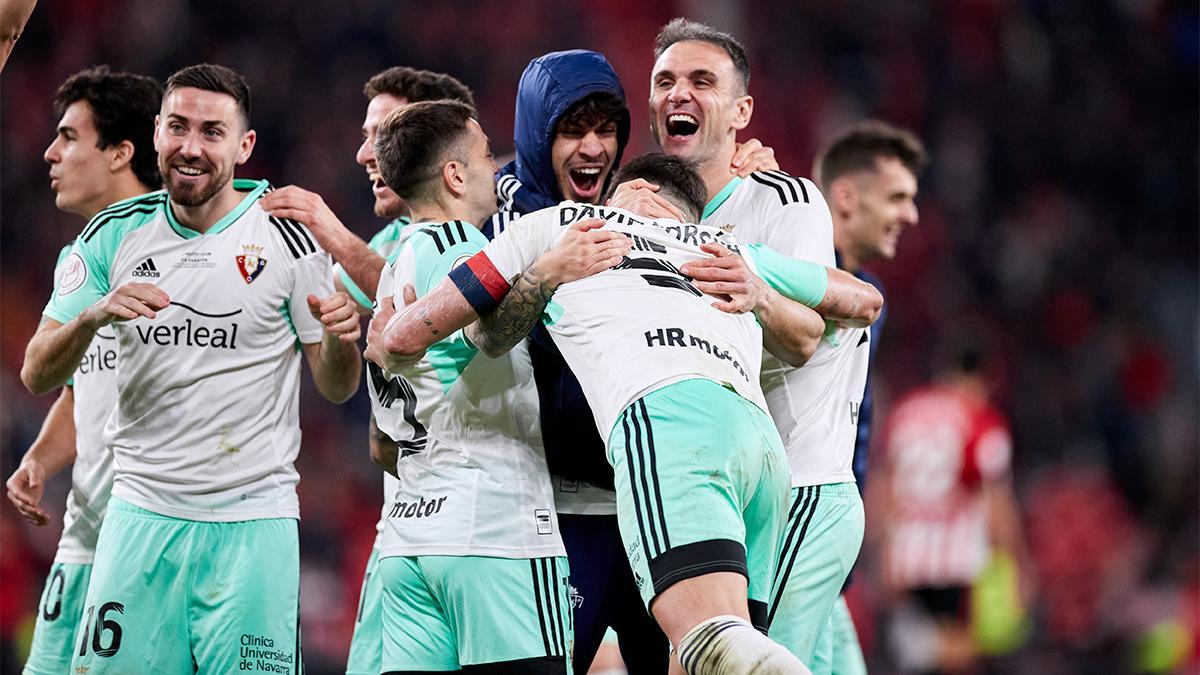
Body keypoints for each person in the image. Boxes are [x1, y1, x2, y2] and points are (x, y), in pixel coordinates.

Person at [369, 151, 883, 675]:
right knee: (716, 658)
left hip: (667, 424)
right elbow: (863, 299)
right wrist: (761, 295)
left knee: (708, 640)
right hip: (761, 449)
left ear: (634, 189)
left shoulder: (564, 226)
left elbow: (422, 329)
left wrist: (389, 340)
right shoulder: (726, 248)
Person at [21, 63, 361, 673]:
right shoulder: (113, 236)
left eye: (212, 131)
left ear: (244, 145)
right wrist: (92, 318)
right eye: (178, 127)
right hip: (140, 517)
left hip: (253, 525)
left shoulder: (288, 237)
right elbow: (37, 373)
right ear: (155, 134)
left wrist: (339, 341)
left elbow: (337, 387)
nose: (191, 147)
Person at [483, 48, 784, 674]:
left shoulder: (640, 209)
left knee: (699, 657)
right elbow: (474, 325)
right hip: (566, 510)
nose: (593, 148)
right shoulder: (508, 216)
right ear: (539, 136)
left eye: (606, 130)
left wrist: (738, 177)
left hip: (657, 487)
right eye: (572, 130)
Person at [608, 18, 870, 671]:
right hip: (732, 487)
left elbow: (809, 335)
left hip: (802, 484)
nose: (679, 94)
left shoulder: (787, 200)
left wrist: (755, 292)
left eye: (702, 80)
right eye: (665, 81)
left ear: (741, 111)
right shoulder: (650, 209)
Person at [361, 99, 613, 673]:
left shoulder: (396, 265)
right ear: (454, 175)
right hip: (494, 532)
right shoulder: (461, 249)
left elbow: (381, 444)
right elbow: (491, 334)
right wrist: (549, 270)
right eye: (482, 158)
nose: (496, 173)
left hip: (410, 541)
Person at [257, 64, 476, 675]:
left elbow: (438, 305)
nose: (362, 154)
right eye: (364, 133)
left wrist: (331, 233)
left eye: (382, 134)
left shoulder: (480, 227)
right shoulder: (382, 245)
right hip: (405, 512)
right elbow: (337, 386)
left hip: (482, 519)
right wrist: (332, 335)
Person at [5, 65, 160, 675]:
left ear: (122, 153)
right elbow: (83, 385)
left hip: (152, 537)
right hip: (82, 536)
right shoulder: (83, 254)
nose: (50, 152)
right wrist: (41, 459)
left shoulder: (182, 247)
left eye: (69, 137)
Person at [812, 118, 927, 674]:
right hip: (791, 535)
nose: (911, 215)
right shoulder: (799, 277)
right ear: (847, 197)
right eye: (897, 197)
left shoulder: (870, 296)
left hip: (828, 547)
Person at [873, 346, 1031, 675]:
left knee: (918, 657)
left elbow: (883, 490)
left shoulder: (906, 412)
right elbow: (995, 501)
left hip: (906, 561)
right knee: (961, 655)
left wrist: (882, 555)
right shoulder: (978, 418)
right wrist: (1018, 562)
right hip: (957, 564)